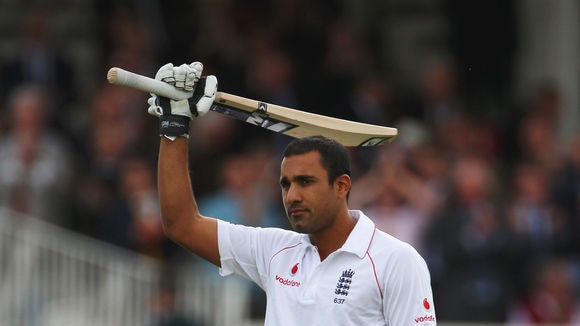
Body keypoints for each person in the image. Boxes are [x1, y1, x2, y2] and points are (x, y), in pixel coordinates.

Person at [145, 62, 436, 325]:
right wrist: (174, 127)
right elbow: (181, 225)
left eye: (306, 182)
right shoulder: (275, 251)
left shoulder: (397, 261)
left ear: (342, 185)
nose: (292, 195)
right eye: (285, 184)